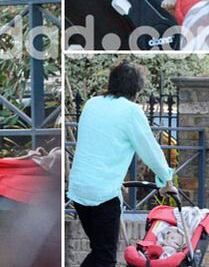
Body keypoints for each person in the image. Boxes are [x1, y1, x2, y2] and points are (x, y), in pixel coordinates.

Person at [68, 60, 177, 267]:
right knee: (104, 257)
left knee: (99, 251)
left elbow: (98, 144)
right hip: (102, 194)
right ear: (136, 89)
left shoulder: (92, 104)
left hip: (79, 190)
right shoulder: (131, 111)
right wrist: (166, 180)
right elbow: (151, 150)